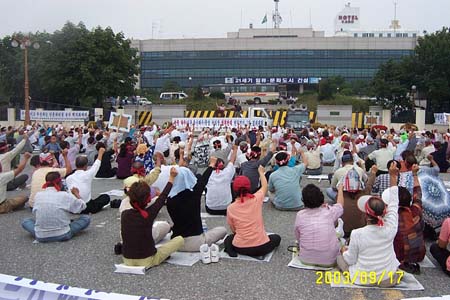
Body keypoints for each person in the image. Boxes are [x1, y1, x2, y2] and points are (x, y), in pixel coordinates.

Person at [338, 164, 401, 287]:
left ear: (366, 215)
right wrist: (393, 176)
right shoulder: (391, 226)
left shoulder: (357, 234)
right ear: (384, 212)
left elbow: (350, 259)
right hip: (387, 278)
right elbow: (394, 202)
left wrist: (344, 251)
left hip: (363, 277)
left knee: (339, 258)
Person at [121, 169, 184, 267]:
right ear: (148, 199)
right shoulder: (148, 214)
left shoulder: (124, 214)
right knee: (179, 239)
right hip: (147, 260)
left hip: (127, 260)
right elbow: (163, 197)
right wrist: (171, 178)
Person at [166, 157, 227, 252]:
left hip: (176, 243)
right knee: (222, 230)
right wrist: (211, 165)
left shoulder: (169, 199)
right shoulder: (194, 194)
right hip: (196, 242)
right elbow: (203, 181)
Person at [224, 166, 281, 257]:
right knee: (276, 238)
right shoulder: (256, 199)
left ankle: (230, 250)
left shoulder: (231, 208)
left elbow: (233, 229)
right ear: (249, 187)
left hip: (240, 247)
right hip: (261, 246)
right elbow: (264, 186)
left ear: (234, 189)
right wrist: (261, 172)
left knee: (229, 238)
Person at [21, 172, 90, 242]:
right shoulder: (64, 195)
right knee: (86, 218)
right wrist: (76, 194)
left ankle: (45, 230)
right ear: (59, 183)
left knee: (26, 221)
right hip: (62, 234)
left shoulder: (38, 195)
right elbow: (82, 206)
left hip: (41, 236)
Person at [295, 184, 344, 267]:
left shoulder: (300, 215)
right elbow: (340, 205)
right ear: (321, 198)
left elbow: (298, 235)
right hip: (329, 260)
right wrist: (340, 190)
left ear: (303, 200)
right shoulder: (329, 211)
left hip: (305, 258)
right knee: (342, 240)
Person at [65, 147, 110, 214]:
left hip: (73, 207)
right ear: (86, 166)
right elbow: (96, 165)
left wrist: (65, 156)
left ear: (75, 165)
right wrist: (100, 153)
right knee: (105, 197)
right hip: (86, 206)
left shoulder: (68, 178)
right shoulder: (88, 174)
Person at [394, 185, 425, 274]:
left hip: (397, 256)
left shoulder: (390, 216)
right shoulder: (415, 211)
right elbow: (418, 195)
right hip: (418, 255)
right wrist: (415, 174)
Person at [205, 145, 238, 215]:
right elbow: (232, 160)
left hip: (211, 208)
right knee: (231, 183)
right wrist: (235, 150)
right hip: (227, 208)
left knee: (206, 185)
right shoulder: (227, 172)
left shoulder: (207, 175)